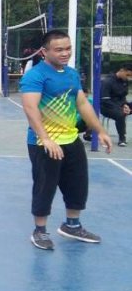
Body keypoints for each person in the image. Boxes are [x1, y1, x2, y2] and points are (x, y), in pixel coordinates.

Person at [19, 29, 111, 251]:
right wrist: (46, 138)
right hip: (44, 143)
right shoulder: (35, 76)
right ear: (45, 52)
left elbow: (82, 104)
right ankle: (40, 230)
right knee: (45, 187)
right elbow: (30, 108)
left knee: (77, 185)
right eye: (59, 49)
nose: (65, 53)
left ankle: (72, 225)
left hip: (71, 139)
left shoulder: (71, 74)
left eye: (68, 48)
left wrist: (99, 130)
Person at [99, 63, 132, 147]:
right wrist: (121, 108)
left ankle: (123, 109)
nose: (128, 78)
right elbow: (105, 100)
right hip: (106, 107)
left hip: (120, 105)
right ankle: (122, 138)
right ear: (122, 70)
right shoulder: (107, 81)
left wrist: (125, 105)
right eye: (127, 75)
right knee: (120, 114)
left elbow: (123, 96)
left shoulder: (125, 81)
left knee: (123, 110)